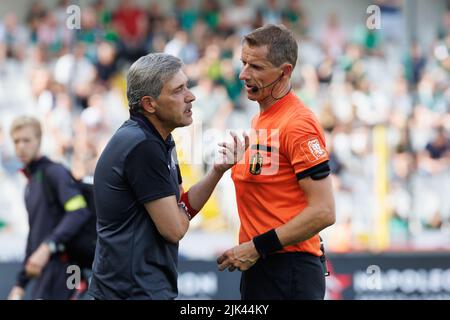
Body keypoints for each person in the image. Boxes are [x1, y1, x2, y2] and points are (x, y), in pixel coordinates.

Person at [88, 53, 246, 300]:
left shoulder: (158, 138)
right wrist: (180, 213)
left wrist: (217, 170)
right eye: (178, 90)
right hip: (130, 292)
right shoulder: (142, 145)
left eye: (188, 86)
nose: (191, 96)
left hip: (137, 289)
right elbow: (174, 229)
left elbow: (180, 204)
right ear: (150, 104)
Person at [217, 24, 336, 300]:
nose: (243, 74)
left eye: (256, 67)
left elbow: (324, 212)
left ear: (285, 72)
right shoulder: (261, 120)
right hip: (265, 268)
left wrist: (256, 247)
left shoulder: (298, 124)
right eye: (243, 63)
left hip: (288, 270)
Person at [7, 116, 92, 300]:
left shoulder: (55, 172)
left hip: (71, 269)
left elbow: (79, 212)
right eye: (16, 141)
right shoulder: (30, 184)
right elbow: (35, 236)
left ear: (39, 140)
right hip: (46, 275)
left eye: (27, 140)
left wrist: (47, 246)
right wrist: (20, 284)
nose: (21, 146)